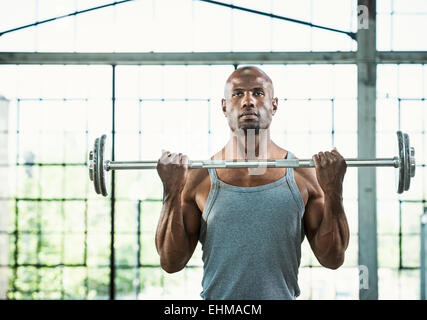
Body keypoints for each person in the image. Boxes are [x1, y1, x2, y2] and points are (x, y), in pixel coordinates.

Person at [155, 66, 349, 300]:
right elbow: (171, 262)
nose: (248, 101)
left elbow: (332, 259)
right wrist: (171, 192)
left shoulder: (303, 175)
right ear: (224, 106)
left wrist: (334, 191)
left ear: (274, 104)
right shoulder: (199, 178)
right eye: (237, 94)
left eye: (258, 93)